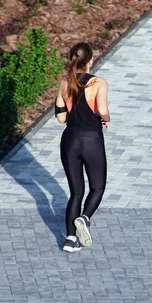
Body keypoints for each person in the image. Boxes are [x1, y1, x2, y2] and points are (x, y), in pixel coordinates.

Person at [55, 42, 110, 253]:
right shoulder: (99, 83)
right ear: (90, 61)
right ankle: (85, 218)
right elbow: (103, 110)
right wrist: (106, 119)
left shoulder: (65, 83)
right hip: (92, 140)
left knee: (76, 192)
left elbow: (61, 118)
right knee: (97, 187)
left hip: (69, 140)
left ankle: (70, 240)